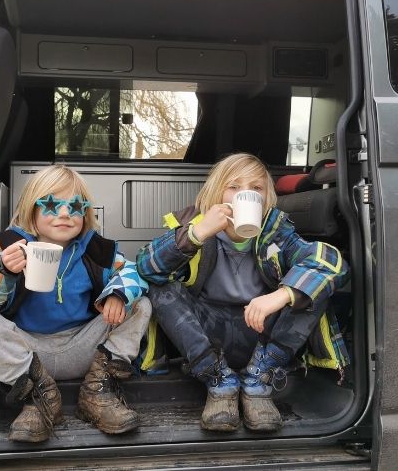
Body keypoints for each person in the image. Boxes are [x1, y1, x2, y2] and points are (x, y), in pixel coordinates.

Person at [136, 153, 349, 432]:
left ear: (265, 199)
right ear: (217, 193)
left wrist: (282, 294)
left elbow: (333, 262)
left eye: (256, 188)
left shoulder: (276, 232)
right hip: (206, 337)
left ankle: (258, 383)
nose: (245, 194)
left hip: (262, 334)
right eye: (234, 187)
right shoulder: (194, 225)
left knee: (312, 288)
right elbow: (145, 267)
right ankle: (219, 383)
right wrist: (197, 234)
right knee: (160, 285)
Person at [0, 165, 151, 442]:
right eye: (52, 204)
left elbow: (133, 272)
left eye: (76, 206)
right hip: (28, 356)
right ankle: (40, 399)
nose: (65, 213)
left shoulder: (97, 250)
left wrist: (117, 294)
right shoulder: (7, 249)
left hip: (85, 350)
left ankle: (97, 392)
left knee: (139, 304)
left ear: (85, 213)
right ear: (32, 209)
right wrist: (3, 272)